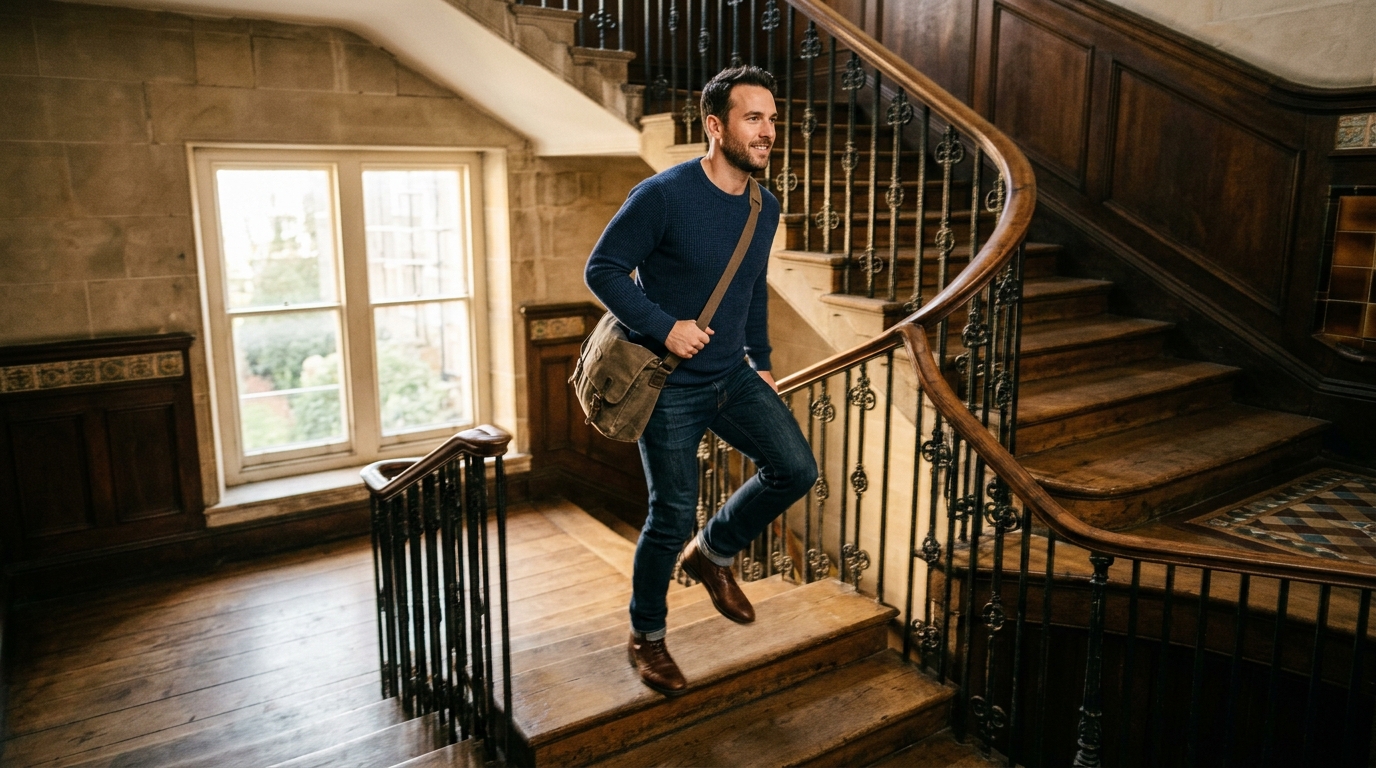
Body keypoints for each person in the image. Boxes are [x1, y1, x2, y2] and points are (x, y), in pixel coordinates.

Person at [584, 65, 819, 695]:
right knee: (670, 513)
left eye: (772, 119)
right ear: (715, 126)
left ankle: (712, 553)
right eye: (754, 118)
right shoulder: (662, 195)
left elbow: (751, 287)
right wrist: (665, 327)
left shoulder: (761, 206)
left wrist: (762, 362)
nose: (769, 131)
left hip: (731, 376)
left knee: (796, 469)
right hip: (668, 384)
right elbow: (602, 270)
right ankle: (647, 636)